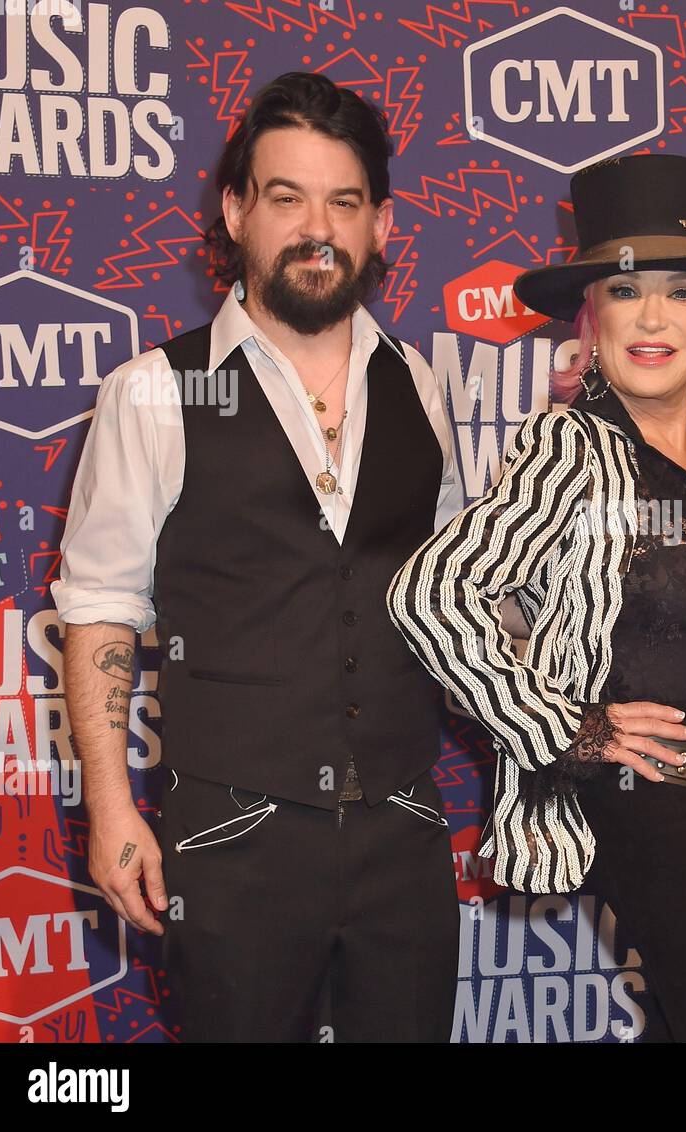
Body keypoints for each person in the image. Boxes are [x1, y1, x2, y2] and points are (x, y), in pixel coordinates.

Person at [387, 153, 686, 1042]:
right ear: (593, 320)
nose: (653, 317)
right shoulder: (571, 450)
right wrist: (572, 727)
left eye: (679, 291)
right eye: (627, 293)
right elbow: (431, 594)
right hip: (659, 814)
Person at [53, 72, 463, 1042]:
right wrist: (112, 811)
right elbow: (102, 606)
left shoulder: (419, 383)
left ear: (383, 224)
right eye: (286, 197)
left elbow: (451, 601)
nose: (315, 226)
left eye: (344, 201)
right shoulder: (153, 390)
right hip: (232, 835)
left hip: (402, 826)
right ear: (236, 210)